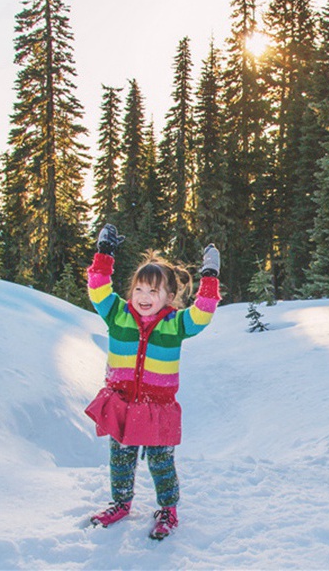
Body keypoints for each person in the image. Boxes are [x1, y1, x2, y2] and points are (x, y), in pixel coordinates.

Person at [85, 223, 221, 540]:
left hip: (157, 407)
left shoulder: (175, 325)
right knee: (120, 458)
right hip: (121, 402)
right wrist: (104, 254)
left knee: (161, 464)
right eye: (138, 290)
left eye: (153, 291)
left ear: (169, 296)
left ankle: (168, 510)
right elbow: (98, 288)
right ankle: (121, 502)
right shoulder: (116, 313)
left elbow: (202, 312)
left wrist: (210, 275)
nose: (144, 297)